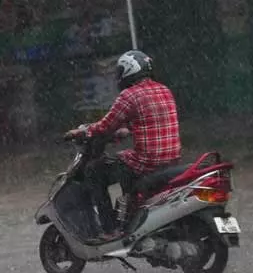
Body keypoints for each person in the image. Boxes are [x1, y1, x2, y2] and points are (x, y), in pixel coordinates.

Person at [65, 50, 181, 241]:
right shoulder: (164, 90)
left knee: (94, 170)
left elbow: (104, 126)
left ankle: (110, 230)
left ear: (128, 71)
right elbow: (152, 122)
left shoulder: (130, 95)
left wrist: (80, 132)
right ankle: (129, 213)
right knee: (122, 160)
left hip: (147, 163)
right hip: (171, 160)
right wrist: (127, 131)